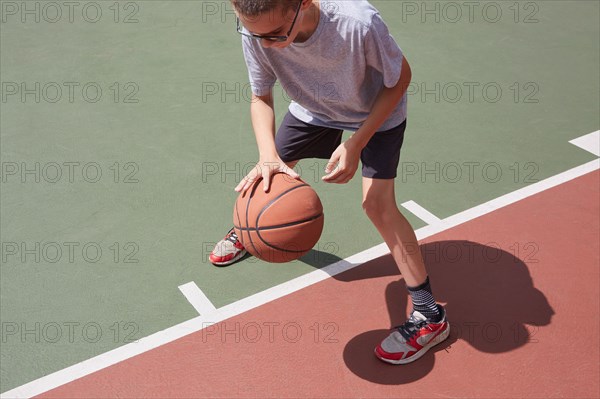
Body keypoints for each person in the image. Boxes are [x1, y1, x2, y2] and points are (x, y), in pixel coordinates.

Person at [209, 0, 449, 364]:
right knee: (267, 178)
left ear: (302, 4)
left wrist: (357, 142)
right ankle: (251, 227)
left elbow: (399, 78)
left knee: (377, 207)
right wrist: (268, 158)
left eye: (276, 35)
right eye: (256, 34)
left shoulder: (358, 23)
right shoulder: (257, 28)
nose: (267, 43)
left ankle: (431, 316)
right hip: (313, 108)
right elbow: (261, 96)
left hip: (375, 115)